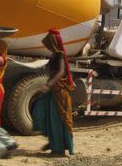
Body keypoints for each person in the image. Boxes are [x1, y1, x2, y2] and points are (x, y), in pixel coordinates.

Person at [32, 29, 74, 157]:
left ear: (53, 43)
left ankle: (59, 149)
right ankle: (53, 143)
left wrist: (48, 85)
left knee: (57, 119)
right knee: (46, 115)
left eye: (49, 44)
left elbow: (61, 72)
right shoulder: (53, 55)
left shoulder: (60, 54)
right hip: (52, 90)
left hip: (59, 91)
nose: (48, 47)